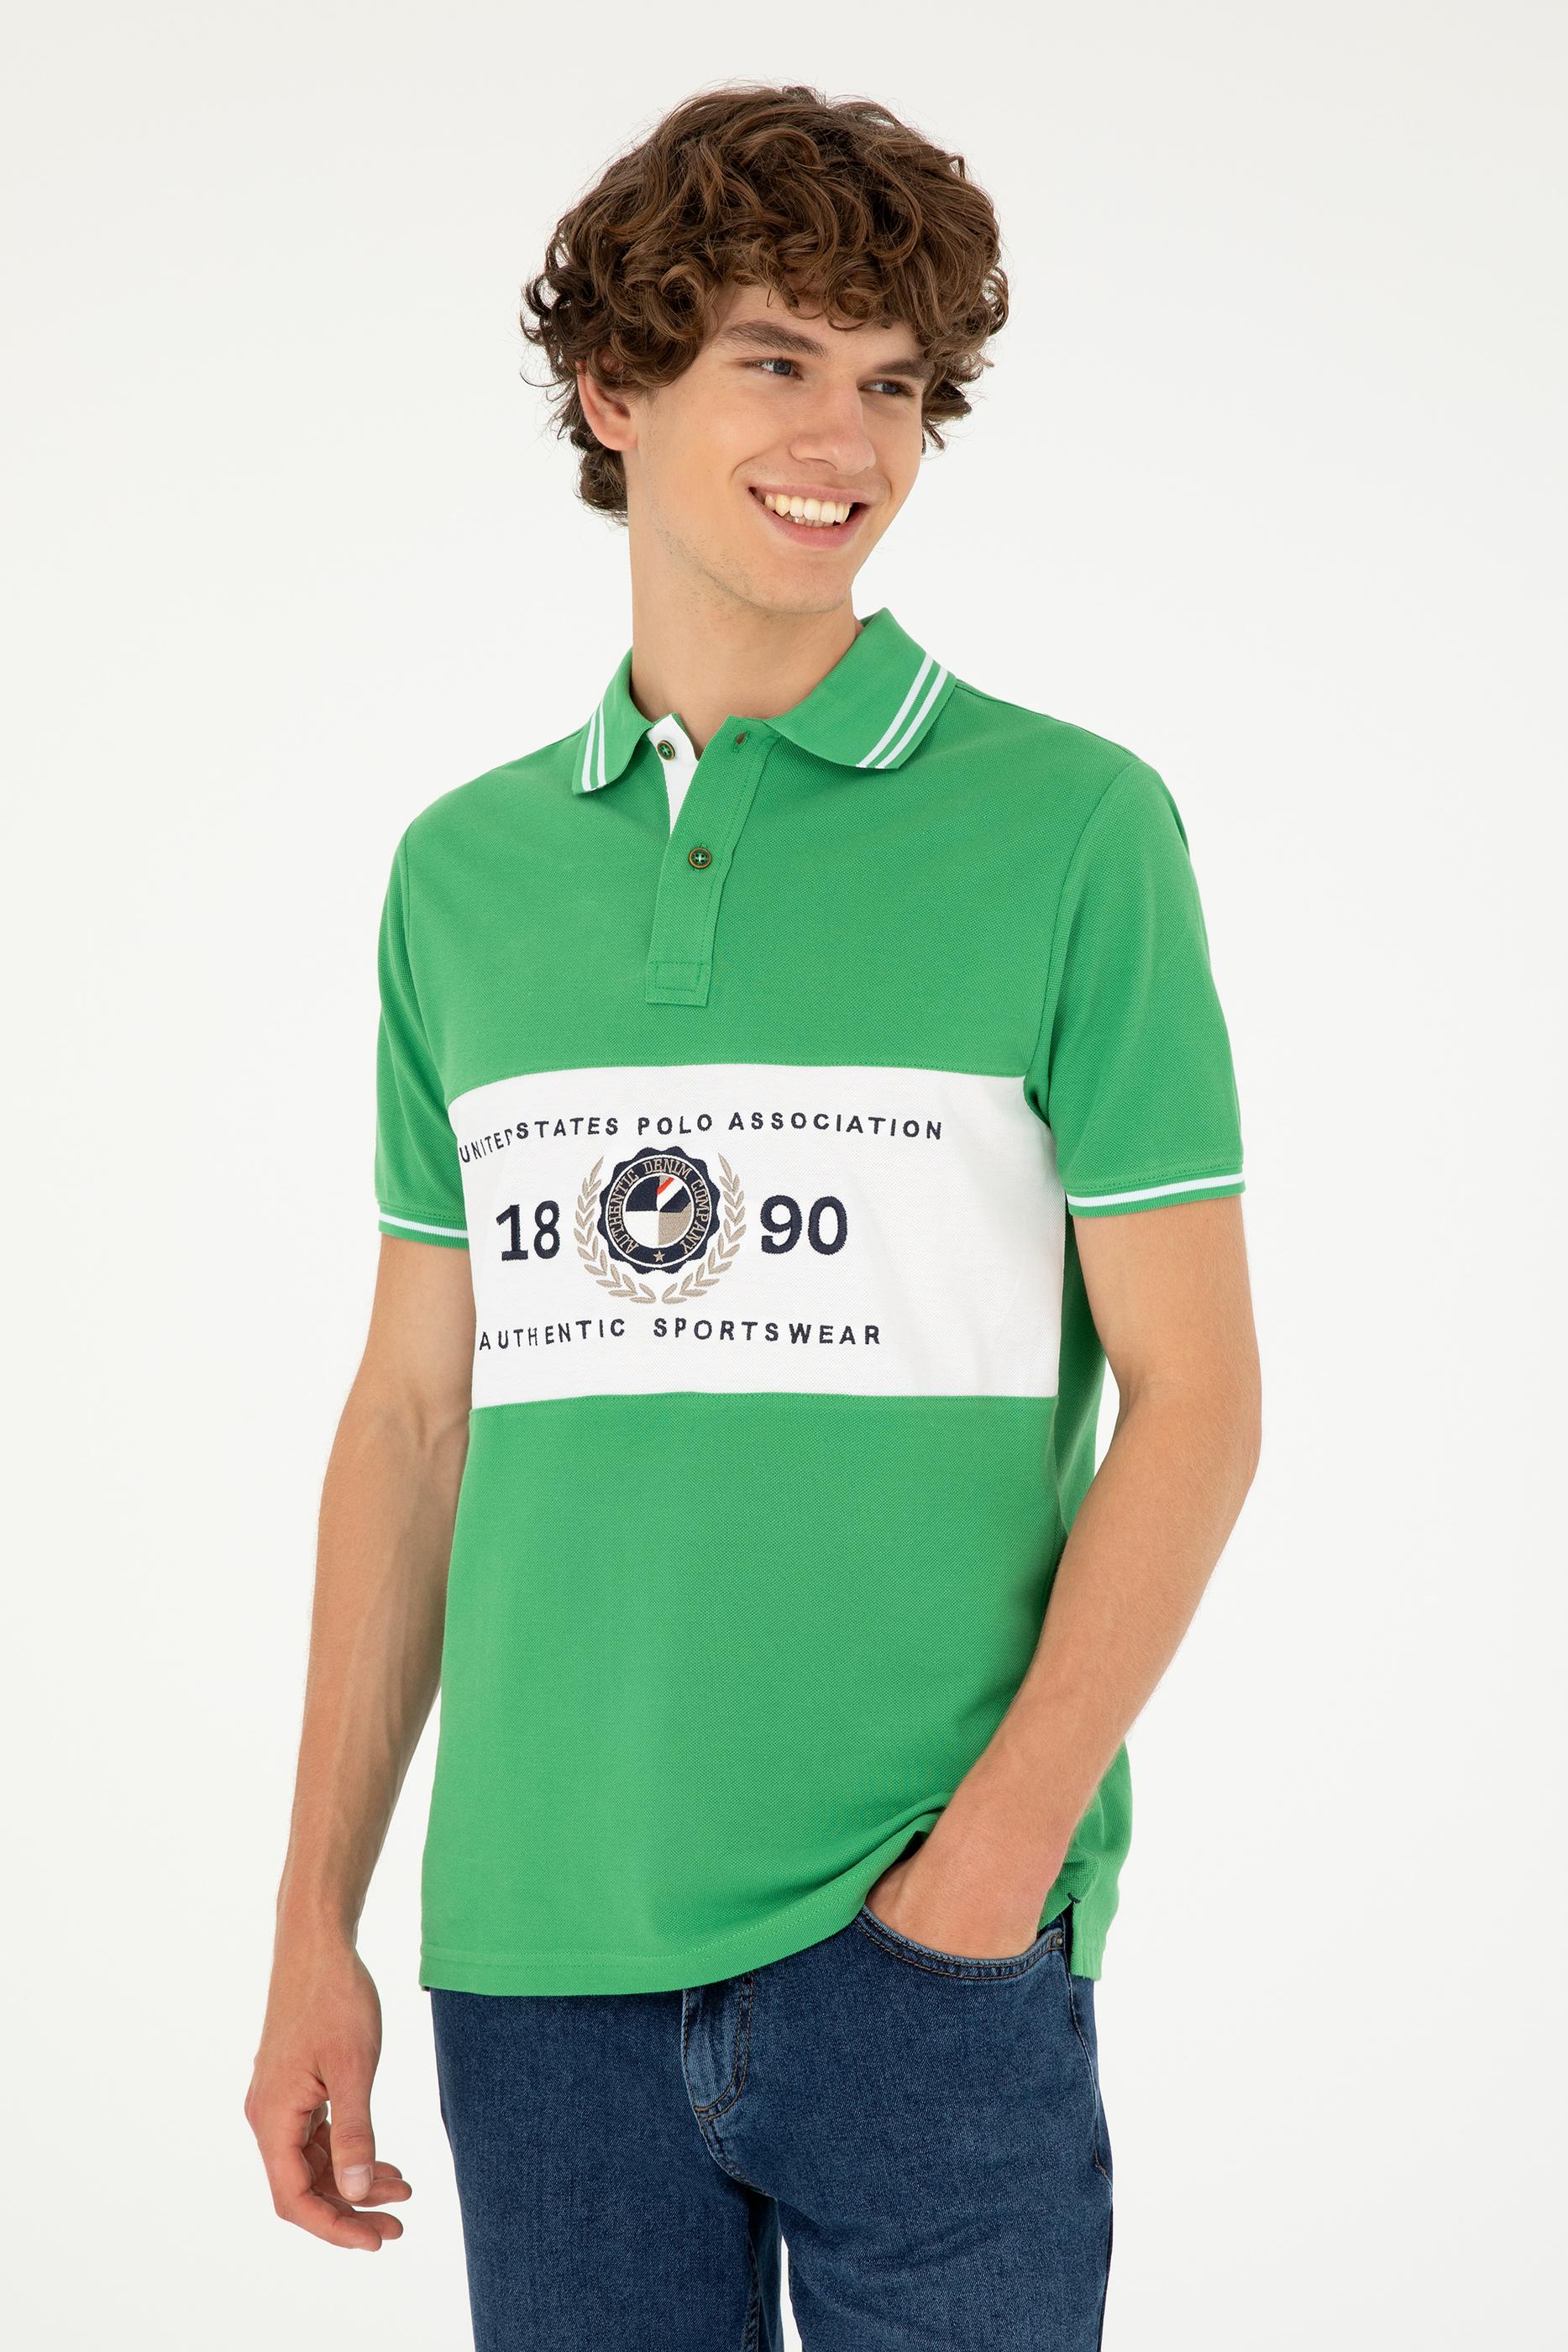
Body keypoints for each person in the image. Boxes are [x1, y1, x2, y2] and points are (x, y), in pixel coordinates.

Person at [245, 81, 1261, 2351]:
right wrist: (317, 1922)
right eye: (776, 362)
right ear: (614, 392)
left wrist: (994, 1863)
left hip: (924, 1948)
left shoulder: (1071, 829)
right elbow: (412, 1424)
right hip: (538, 1967)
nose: (845, 441)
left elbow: (1196, 1398)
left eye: (895, 383)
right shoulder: (462, 876)